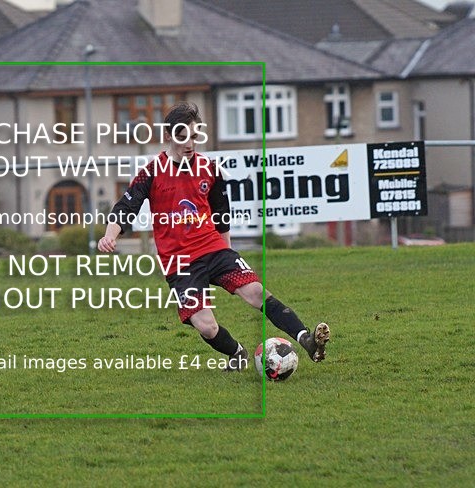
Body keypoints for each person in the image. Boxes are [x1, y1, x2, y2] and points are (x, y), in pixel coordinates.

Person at [97, 102, 329, 370]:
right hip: (180, 262)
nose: (189, 144)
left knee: (256, 292)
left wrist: (228, 253)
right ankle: (237, 353)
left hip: (214, 249)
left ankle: (307, 339)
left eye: (194, 137)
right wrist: (109, 235)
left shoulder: (210, 169)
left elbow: (221, 213)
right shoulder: (152, 172)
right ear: (169, 135)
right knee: (206, 327)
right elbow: (127, 207)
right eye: (183, 137)